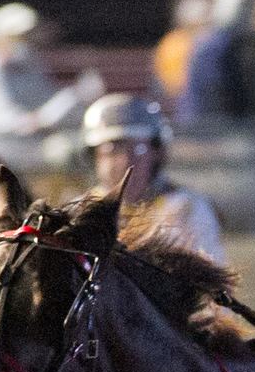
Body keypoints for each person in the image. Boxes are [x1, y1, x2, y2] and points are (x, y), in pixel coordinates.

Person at [82, 94, 225, 263]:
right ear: (94, 157)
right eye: (112, 150)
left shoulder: (187, 209)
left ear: (157, 154)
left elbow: (210, 279)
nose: (126, 161)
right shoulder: (81, 214)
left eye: (138, 150)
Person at [0, 3, 102, 174]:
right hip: (3, 150)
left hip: (34, 145)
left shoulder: (32, 64)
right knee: (65, 152)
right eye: (18, 36)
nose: (25, 42)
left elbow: (47, 103)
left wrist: (76, 100)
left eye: (26, 36)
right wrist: (42, 119)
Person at [179, 0, 255, 123]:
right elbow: (215, 95)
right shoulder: (212, 48)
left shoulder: (235, 44)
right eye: (245, 7)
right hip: (206, 129)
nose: (250, 14)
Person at [154, 0, 211, 106]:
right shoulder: (173, 43)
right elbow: (171, 83)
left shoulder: (210, 44)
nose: (204, 28)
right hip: (179, 103)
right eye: (200, 23)